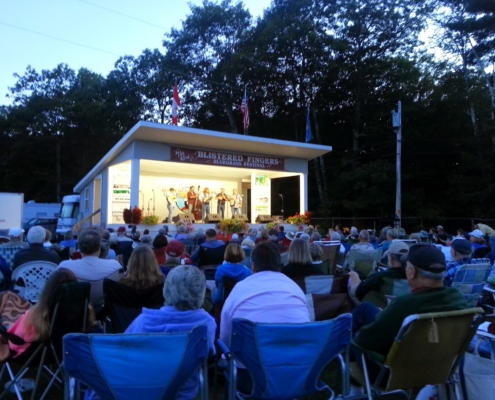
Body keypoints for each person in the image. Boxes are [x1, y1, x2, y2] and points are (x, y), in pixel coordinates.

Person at [86, 265, 216, 400]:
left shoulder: (144, 322)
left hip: (140, 389)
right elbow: (208, 353)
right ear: (201, 293)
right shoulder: (206, 325)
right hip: (179, 392)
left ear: (166, 290)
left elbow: (122, 354)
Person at [220, 241, 310, 393]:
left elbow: (226, 338)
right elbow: (308, 330)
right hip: (294, 375)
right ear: (280, 264)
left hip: (251, 377)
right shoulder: (295, 289)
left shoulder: (240, 289)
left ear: (253, 266)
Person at [353, 243, 468, 356]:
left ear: (412, 272)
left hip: (393, 368)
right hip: (439, 364)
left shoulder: (405, 304)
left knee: (354, 327)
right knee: (366, 308)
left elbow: (365, 341)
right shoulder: (457, 298)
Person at [8, 268, 95, 358]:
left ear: (48, 289)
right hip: (71, 349)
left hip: (38, 354)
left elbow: (16, 341)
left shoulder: (36, 315)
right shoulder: (84, 311)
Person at [58, 229, 122, 307]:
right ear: (99, 248)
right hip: (105, 309)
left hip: (73, 309)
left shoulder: (64, 266)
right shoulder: (115, 265)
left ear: (79, 248)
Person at [349, 241, 410, 307]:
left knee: (352, 275)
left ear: (391, 258)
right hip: (406, 311)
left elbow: (357, 293)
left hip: (382, 312)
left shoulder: (380, 277)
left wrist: (354, 276)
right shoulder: (414, 277)